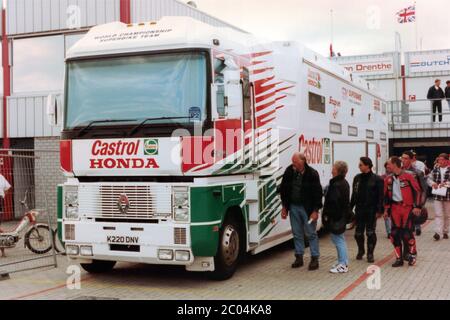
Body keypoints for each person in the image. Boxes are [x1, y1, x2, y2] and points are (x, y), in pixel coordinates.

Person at [280, 152, 323, 270]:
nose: (293, 165)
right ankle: (299, 257)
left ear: (303, 162)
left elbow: (318, 193)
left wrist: (315, 210)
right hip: (293, 207)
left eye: (296, 163)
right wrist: (284, 207)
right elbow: (284, 189)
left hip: (308, 209)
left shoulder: (312, 174)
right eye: (292, 162)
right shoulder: (289, 171)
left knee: (311, 233)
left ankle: (314, 258)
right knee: (296, 233)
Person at [384, 156, 422, 267]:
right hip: (395, 208)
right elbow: (385, 196)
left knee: (406, 234)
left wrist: (417, 206)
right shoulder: (388, 179)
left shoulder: (408, 176)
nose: (387, 166)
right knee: (394, 234)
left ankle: (412, 254)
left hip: (407, 208)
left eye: (389, 164)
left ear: (395, 164)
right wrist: (386, 210)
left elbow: (418, 191)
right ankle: (398, 258)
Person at [350, 157, 384, 263]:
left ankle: (370, 253)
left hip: (371, 210)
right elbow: (354, 194)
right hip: (359, 209)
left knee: (370, 232)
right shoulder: (357, 178)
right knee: (358, 234)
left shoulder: (377, 179)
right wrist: (350, 208)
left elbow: (381, 196)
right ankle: (361, 250)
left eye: (361, 165)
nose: (359, 166)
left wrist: (379, 210)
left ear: (367, 166)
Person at [322, 161, 350, 273]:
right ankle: (342, 262)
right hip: (340, 216)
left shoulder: (337, 184)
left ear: (338, 170)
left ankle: (343, 264)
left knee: (338, 240)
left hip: (337, 217)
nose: (331, 169)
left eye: (333, 168)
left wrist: (328, 215)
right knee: (339, 239)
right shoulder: (342, 183)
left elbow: (334, 202)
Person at [401, 151, 428, 240]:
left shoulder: (418, 173)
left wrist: (419, 206)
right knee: (400, 231)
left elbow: (424, 190)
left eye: (406, 158)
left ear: (412, 160)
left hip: (413, 204)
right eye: (402, 158)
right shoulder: (398, 172)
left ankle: (410, 251)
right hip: (400, 204)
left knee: (409, 230)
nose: (403, 160)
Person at [427, 153, 450, 241]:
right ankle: (438, 233)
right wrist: (433, 184)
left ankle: (445, 231)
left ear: (446, 160)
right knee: (438, 214)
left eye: (441, 159)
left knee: (447, 215)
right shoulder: (435, 169)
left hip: (448, 195)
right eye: (439, 159)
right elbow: (428, 179)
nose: (440, 161)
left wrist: (446, 184)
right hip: (437, 195)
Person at [0, 173, 11, 258]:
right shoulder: (1, 176)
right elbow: (7, 188)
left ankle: (2, 250)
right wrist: (3, 196)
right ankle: (3, 251)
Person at [381, 161, 392, 239]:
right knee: (387, 216)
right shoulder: (382, 177)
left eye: (389, 167)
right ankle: (389, 232)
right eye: (387, 167)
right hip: (386, 198)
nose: (388, 168)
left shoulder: (396, 176)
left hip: (394, 199)